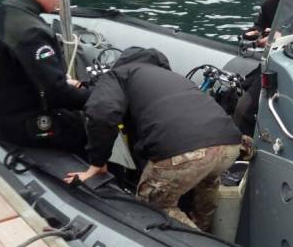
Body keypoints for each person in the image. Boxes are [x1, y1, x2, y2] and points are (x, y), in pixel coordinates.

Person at [65, 47, 242, 231]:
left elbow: (101, 114)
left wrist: (97, 163)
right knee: (205, 183)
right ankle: (205, 228)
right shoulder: (173, 78)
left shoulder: (119, 74)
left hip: (187, 151)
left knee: (153, 205)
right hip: (229, 144)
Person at [0, 0, 90, 154]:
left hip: (9, 112)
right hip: (26, 127)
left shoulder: (5, 11)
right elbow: (58, 95)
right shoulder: (32, 32)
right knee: (91, 128)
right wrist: (96, 96)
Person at [234, 0, 289, 135]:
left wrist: (284, 36)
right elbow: (259, 27)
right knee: (235, 92)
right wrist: (253, 35)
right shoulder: (269, 4)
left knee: (245, 109)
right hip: (273, 65)